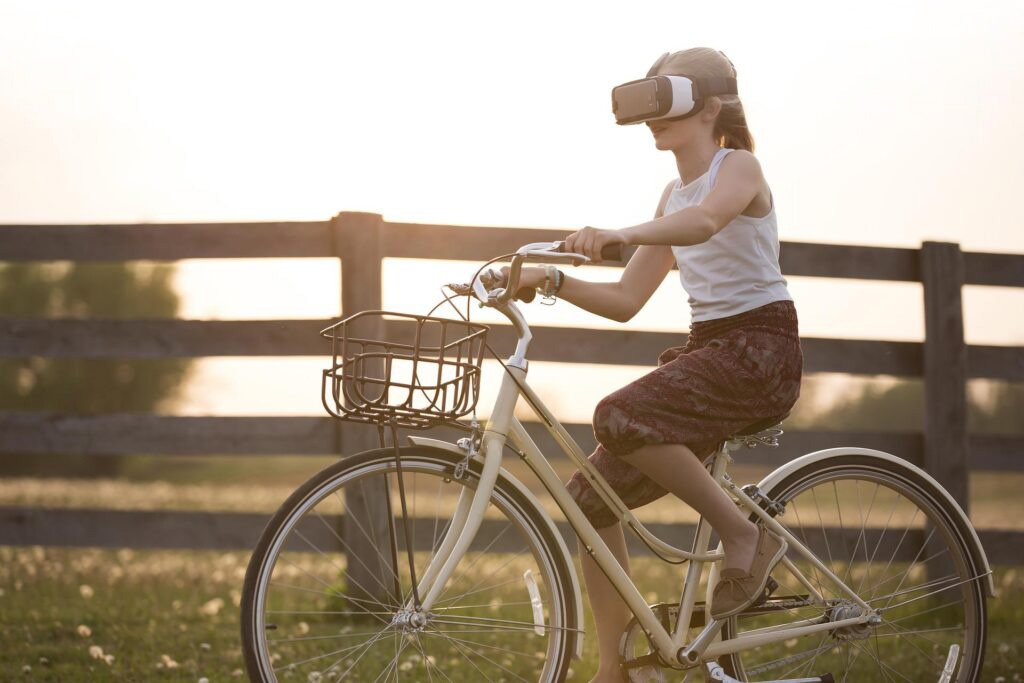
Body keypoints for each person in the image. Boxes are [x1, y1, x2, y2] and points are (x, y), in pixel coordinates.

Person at [506, 47, 803, 682]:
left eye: (666, 103)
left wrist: (623, 233)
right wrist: (553, 277)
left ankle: (745, 535)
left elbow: (706, 222)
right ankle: (614, 668)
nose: (653, 120)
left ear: (711, 109)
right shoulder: (671, 194)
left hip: (760, 351)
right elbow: (623, 300)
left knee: (618, 413)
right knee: (589, 498)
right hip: (711, 350)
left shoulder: (738, 167)